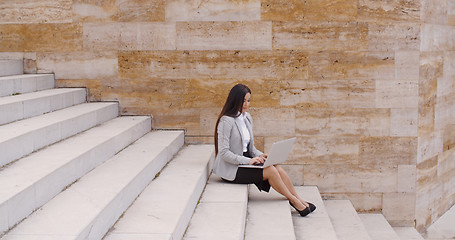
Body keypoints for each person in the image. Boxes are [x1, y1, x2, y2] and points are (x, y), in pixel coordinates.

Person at [212, 83, 316, 217]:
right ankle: (294, 201)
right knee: (271, 171)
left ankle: (299, 199)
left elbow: (251, 148)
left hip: (245, 162)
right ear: (234, 99)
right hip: (232, 168)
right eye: (243, 100)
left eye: (248, 100)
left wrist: (263, 156)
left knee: (275, 167)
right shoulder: (226, 121)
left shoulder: (246, 118)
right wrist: (249, 161)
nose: (246, 104)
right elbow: (224, 152)